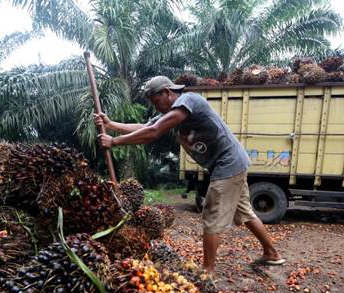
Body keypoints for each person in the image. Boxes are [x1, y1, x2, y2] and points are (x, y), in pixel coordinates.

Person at [95, 75, 285, 273]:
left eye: (156, 102)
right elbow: (146, 127)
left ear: (167, 92)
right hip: (232, 163)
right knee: (244, 211)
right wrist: (112, 125)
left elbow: (154, 132)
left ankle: (207, 272)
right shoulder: (174, 110)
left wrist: (115, 141)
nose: (156, 107)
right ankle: (271, 253)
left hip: (227, 164)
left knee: (212, 215)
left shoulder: (189, 100)